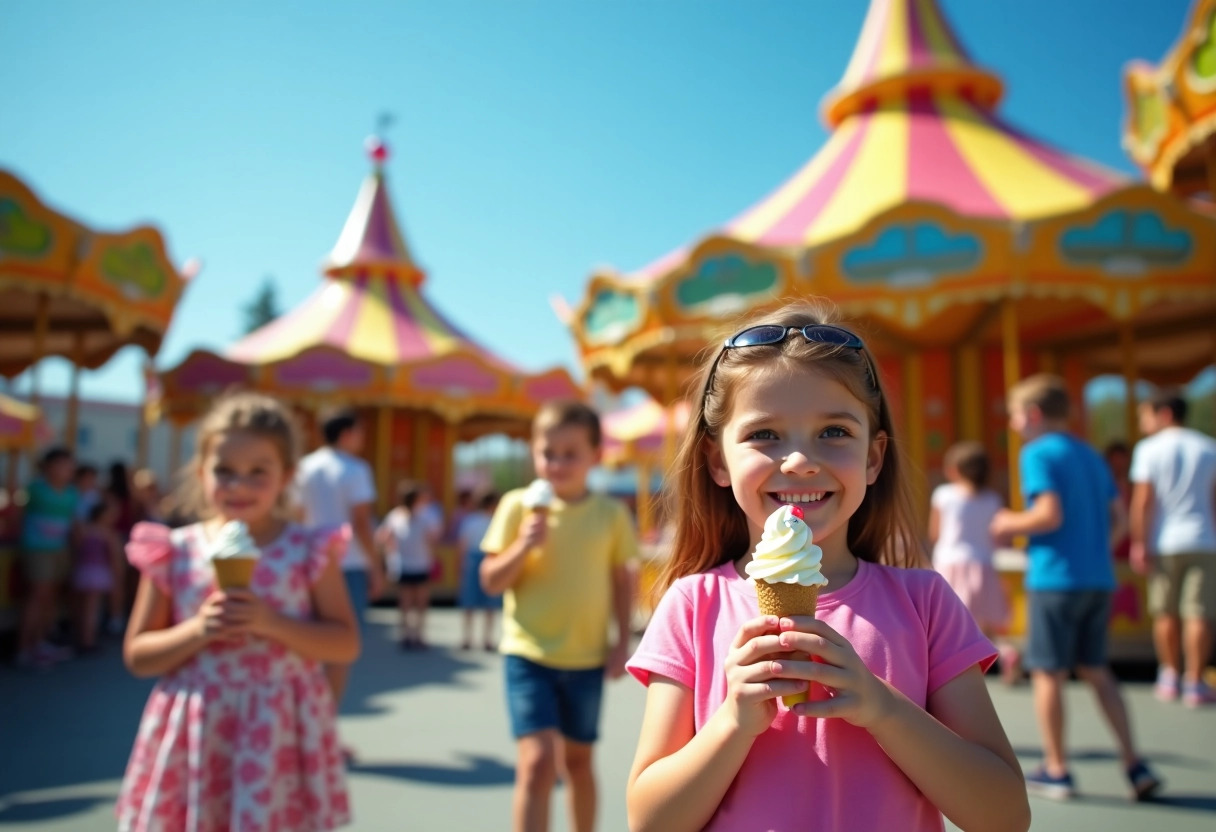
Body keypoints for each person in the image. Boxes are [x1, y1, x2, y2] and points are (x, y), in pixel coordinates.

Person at [625, 301, 1029, 832]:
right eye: (764, 435)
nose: (799, 460)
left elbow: (1003, 816)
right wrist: (731, 724)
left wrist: (884, 709)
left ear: (873, 457)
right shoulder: (692, 606)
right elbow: (650, 823)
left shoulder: (926, 603)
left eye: (834, 432)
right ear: (718, 460)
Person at [116, 392, 358, 831]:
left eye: (257, 472)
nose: (239, 485)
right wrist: (198, 629)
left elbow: (344, 642)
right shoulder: (173, 550)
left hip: (280, 728)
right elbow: (138, 655)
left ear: (286, 475)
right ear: (201, 471)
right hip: (197, 731)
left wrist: (271, 622)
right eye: (224, 470)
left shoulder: (308, 549)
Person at [990, 373, 1160, 801]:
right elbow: (1118, 516)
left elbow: (1048, 514)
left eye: (1013, 416)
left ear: (1032, 415)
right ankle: (1133, 762)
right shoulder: (1091, 455)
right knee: (1098, 670)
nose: (1013, 425)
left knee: (1048, 672)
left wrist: (1007, 523)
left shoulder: (1037, 453)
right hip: (1096, 578)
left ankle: (1057, 767)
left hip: (1055, 578)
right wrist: (1094, 549)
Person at [481, 400, 637, 832]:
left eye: (571, 453)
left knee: (579, 763)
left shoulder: (611, 515)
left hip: (585, 659)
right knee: (536, 762)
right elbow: (491, 581)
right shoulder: (517, 506)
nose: (557, 463)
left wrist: (621, 641)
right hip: (527, 654)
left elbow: (622, 582)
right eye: (548, 453)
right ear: (534, 452)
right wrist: (522, 546)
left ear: (595, 456)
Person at [1129, 389, 1216, 707]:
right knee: (1200, 613)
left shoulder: (1149, 449)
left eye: (1146, 415)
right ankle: (1195, 680)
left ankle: (1169, 673)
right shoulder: (1208, 447)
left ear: (1164, 414)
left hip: (1163, 541)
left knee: (1165, 612)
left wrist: (1139, 542)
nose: (1142, 423)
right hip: (1205, 540)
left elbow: (1143, 501)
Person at [295, 408, 382, 713]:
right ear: (346, 434)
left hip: (306, 564)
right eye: (359, 432)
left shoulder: (303, 468)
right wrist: (376, 565)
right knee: (341, 648)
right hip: (348, 565)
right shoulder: (356, 470)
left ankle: (308, 720)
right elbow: (361, 522)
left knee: (308, 646)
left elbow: (295, 517)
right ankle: (325, 726)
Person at [928, 440, 1018, 683]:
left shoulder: (944, 495)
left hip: (951, 563)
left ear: (954, 469)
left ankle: (959, 671)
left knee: (952, 623)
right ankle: (1008, 652)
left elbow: (934, 533)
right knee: (986, 625)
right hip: (984, 565)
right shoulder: (992, 499)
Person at [16, 447, 78, 668]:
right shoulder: (34, 489)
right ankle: (24, 648)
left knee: (50, 598)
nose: (69, 469)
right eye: (64, 464)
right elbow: (16, 517)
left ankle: (40, 643)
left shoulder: (72, 492)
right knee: (37, 597)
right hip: (37, 550)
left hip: (59, 550)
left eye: (70, 464)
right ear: (50, 466)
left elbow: (72, 524)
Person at [376, 480, 441, 649]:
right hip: (406, 563)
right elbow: (384, 537)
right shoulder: (400, 516)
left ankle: (415, 634)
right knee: (410, 601)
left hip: (418, 563)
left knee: (416, 601)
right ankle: (410, 634)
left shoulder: (422, 515)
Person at [72, 497, 122, 652]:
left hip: (82, 572)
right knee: (92, 609)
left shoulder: (84, 530)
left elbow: (76, 549)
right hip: (98, 574)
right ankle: (88, 642)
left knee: (81, 608)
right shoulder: (107, 533)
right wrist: (117, 577)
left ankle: (81, 638)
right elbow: (114, 558)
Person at [457, 490, 501, 651]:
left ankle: (467, 638)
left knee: (470, 602)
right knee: (490, 602)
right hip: (488, 558)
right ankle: (486, 639)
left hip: (474, 560)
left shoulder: (470, 521)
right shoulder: (496, 521)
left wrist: (461, 565)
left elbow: (462, 545)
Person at [1105, 442, 1133, 562]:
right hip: (1112, 552)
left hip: (1132, 551)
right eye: (1115, 462)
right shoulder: (1105, 489)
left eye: (1122, 462)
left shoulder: (1135, 488)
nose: (1119, 466)